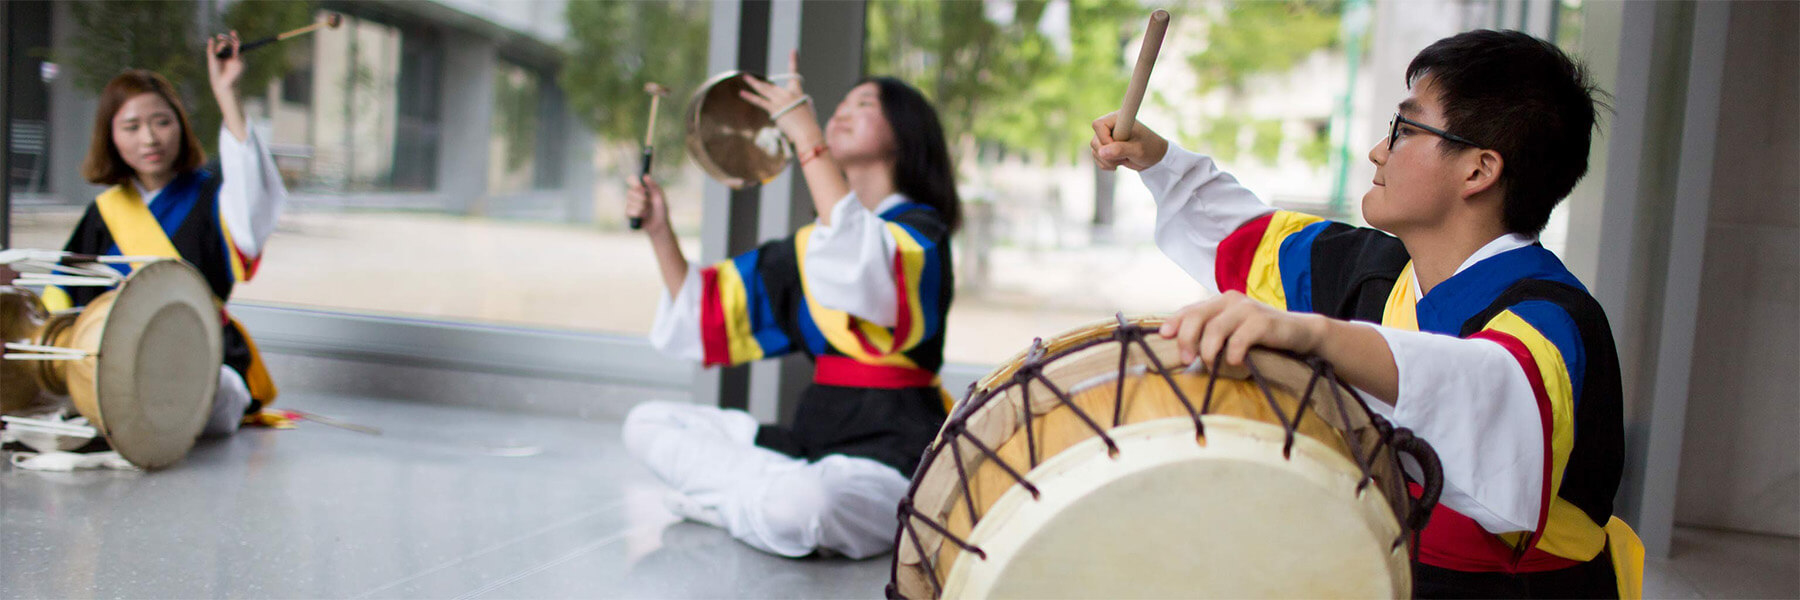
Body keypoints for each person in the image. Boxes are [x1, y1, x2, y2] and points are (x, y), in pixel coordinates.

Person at [1090, 30, 1640, 598]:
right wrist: (1156, 160)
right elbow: (1249, 239)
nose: (1379, 150)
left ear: (1479, 170)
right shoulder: (1375, 271)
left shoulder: (1556, 318)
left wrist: (1313, 334)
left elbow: (1485, 387)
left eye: (1405, 129)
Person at [621, 54, 960, 560]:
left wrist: (807, 138)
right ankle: (760, 506)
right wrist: (659, 232)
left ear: (906, 134)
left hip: (892, 453)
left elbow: (863, 263)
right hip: (810, 444)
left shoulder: (921, 237)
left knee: (813, 501)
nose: (841, 112)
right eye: (839, 105)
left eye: (864, 104)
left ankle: (734, 504)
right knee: (645, 423)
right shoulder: (809, 249)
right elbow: (707, 309)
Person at [46, 33, 289, 438]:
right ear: (111, 137)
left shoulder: (215, 196)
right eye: (132, 126)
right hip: (115, 364)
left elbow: (252, 207)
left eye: (162, 121)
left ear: (180, 125)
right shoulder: (104, 211)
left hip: (196, 356)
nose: (150, 138)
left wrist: (226, 92)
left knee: (223, 394)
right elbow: (62, 287)